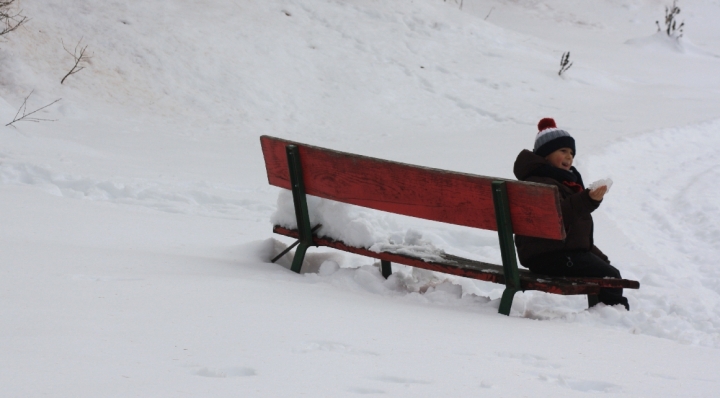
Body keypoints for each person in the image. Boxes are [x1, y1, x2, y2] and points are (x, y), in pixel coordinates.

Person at [513, 117, 630, 310]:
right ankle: (613, 315)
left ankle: (607, 312)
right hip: (551, 256)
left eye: (572, 153)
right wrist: (588, 199)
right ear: (546, 154)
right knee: (611, 277)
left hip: (549, 253)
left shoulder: (558, 182)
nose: (569, 157)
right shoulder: (542, 184)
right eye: (563, 151)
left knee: (606, 269)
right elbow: (556, 218)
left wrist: (595, 254)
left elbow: (573, 231)